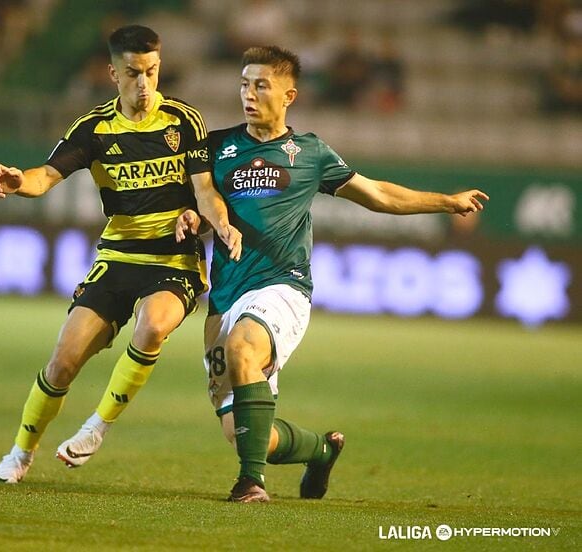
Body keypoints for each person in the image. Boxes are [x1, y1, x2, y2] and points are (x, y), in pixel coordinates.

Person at [173, 46, 489, 502]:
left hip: (282, 287)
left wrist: (446, 201)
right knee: (240, 432)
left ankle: (251, 483)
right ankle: (320, 452)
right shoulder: (214, 147)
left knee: (244, 346)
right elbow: (207, 204)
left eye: (262, 85)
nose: (249, 93)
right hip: (225, 294)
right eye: (244, 83)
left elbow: (377, 193)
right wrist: (194, 219)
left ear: (289, 96)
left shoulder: (309, 152)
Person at [0, 24, 241, 483]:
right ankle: (20, 454)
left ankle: (96, 427)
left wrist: (217, 222)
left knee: (154, 325)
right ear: (113, 73)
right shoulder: (94, 128)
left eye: (151, 72)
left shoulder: (184, 121)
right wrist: (19, 181)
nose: (143, 84)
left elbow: (205, 189)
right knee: (63, 362)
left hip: (172, 260)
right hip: (117, 258)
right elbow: (45, 175)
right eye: (132, 73)